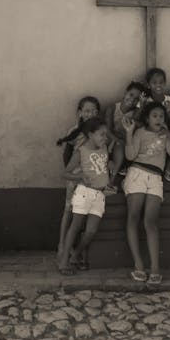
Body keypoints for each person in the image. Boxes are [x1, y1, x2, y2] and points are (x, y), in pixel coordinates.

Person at [122, 101, 170, 286]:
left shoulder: (166, 134)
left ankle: (155, 267)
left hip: (155, 177)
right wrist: (129, 134)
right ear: (147, 118)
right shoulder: (140, 133)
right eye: (154, 116)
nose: (158, 119)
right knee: (133, 216)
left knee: (151, 221)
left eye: (161, 116)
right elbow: (130, 156)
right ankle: (138, 264)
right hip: (137, 173)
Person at [58, 118, 111, 275]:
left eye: (106, 134)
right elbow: (65, 173)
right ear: (90, 134)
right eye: (101, 134)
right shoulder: (81, 151)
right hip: (84, 192)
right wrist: (80, 177)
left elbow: (104, 166)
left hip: (100, 194)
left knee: (91, 231)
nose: (105, 137)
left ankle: (75, 255)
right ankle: (64, 263)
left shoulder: (104, 148)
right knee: (75, 226)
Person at [55, 96, 102, 261]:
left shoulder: (99, 132)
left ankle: (81, 251)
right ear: (80, 113)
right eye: (87, 111)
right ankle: (62, 245)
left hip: (92, 180)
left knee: (86, 213)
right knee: (69, 210)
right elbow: (66, 157)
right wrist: (72, 176)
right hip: (75, 177)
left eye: (95, 111)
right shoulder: (74, 131)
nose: (91, 114)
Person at [140, 67, 170, 181]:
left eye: (161, 82)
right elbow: (139, 119)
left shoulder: (169, 100)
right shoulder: (145, 100)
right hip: (151, 130)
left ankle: (169, 165)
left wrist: (168, 111)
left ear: (165, 83)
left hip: (167, 130)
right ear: (148, 84)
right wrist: (142, 105)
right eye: (154, 82)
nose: (158, 85)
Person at [104, 81, 145, 188]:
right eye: (131, 95)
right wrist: (117, 141)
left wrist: (140, 107)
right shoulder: (112, 108)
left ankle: (112, 181)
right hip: (111, 140)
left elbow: (135, 125)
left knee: (122, 146)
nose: (132, 99)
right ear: (125, 93)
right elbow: (107, 130)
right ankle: (110, 178)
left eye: (136, 99)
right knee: (118, 145)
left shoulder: (135, 112)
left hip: (125, 142)